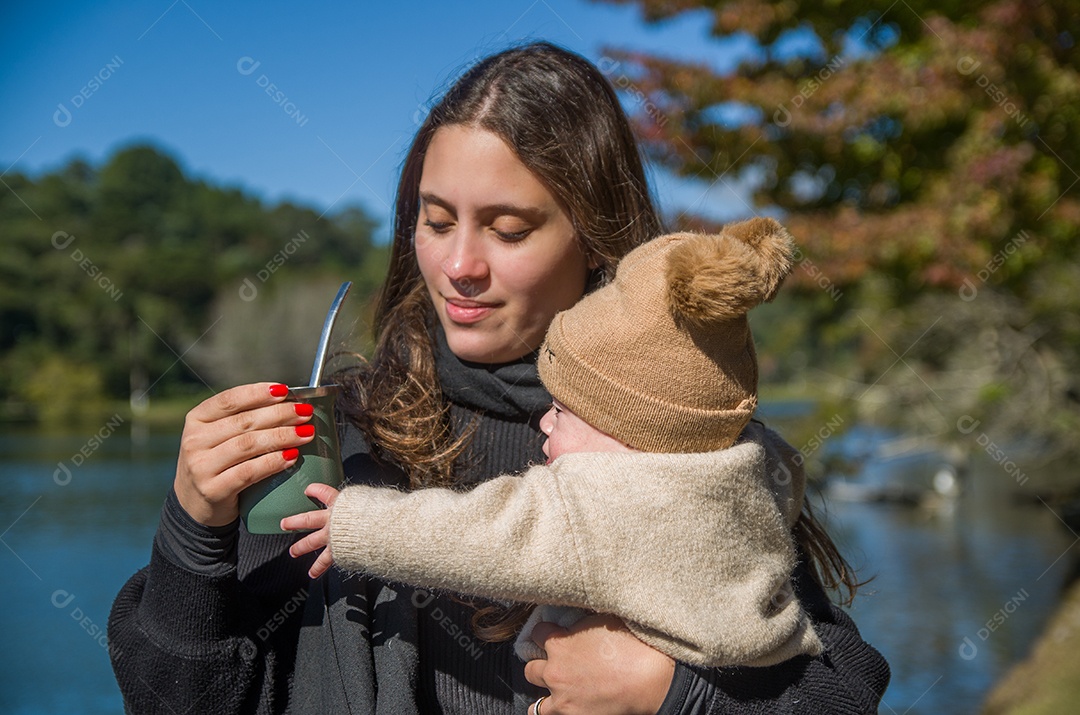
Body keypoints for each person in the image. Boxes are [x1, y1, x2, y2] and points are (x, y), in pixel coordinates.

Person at [108, 41, 889, 715]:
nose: (459, 267)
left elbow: (840, 689)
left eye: (508, 228)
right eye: (436, 220)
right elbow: (181, 698)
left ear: (594, 238)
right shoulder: (338, 438)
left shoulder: (677, 434)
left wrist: (673, 692)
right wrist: (192, 532)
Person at [283, 217, 828, 674]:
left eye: (564, 411)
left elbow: (473, 535)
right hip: (772, 659)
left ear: (633, 433)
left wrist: (354, 525)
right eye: (438, 221)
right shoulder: (752, 463)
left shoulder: (594, 507)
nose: (545, 422)